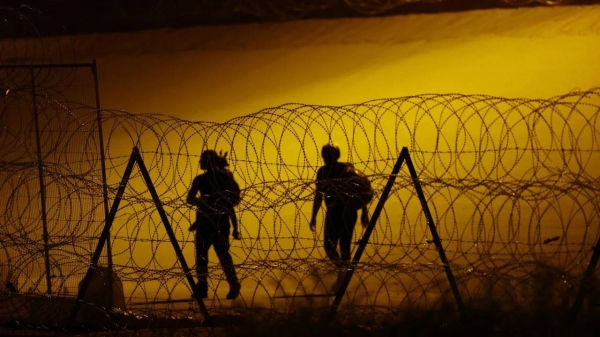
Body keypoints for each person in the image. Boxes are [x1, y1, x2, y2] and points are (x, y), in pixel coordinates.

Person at [186, 150, 241, 300]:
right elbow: (189, 198)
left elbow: (234, 198)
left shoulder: (224, 178)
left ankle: (233, 283)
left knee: (222, 254)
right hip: (204, 222)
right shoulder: (199, 180)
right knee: (202, 256)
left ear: (210, 161)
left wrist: (216, 202)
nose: (200, 163)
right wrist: (200, 202)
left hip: (220, 222)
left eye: (202, 160)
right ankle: (202, 287)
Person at [309, 144, 369, 269]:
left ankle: (344, 273)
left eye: (330, 156)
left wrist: (364, 212)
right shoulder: (323, 172)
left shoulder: (347, 170)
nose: (328, 158)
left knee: (343, 246)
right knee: (330, 246)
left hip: (346, 211)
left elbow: (359, 191)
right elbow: (319, 196)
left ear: (336, 156)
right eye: (326, 156)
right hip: (334, 212)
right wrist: (313, 217)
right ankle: (343, 270)